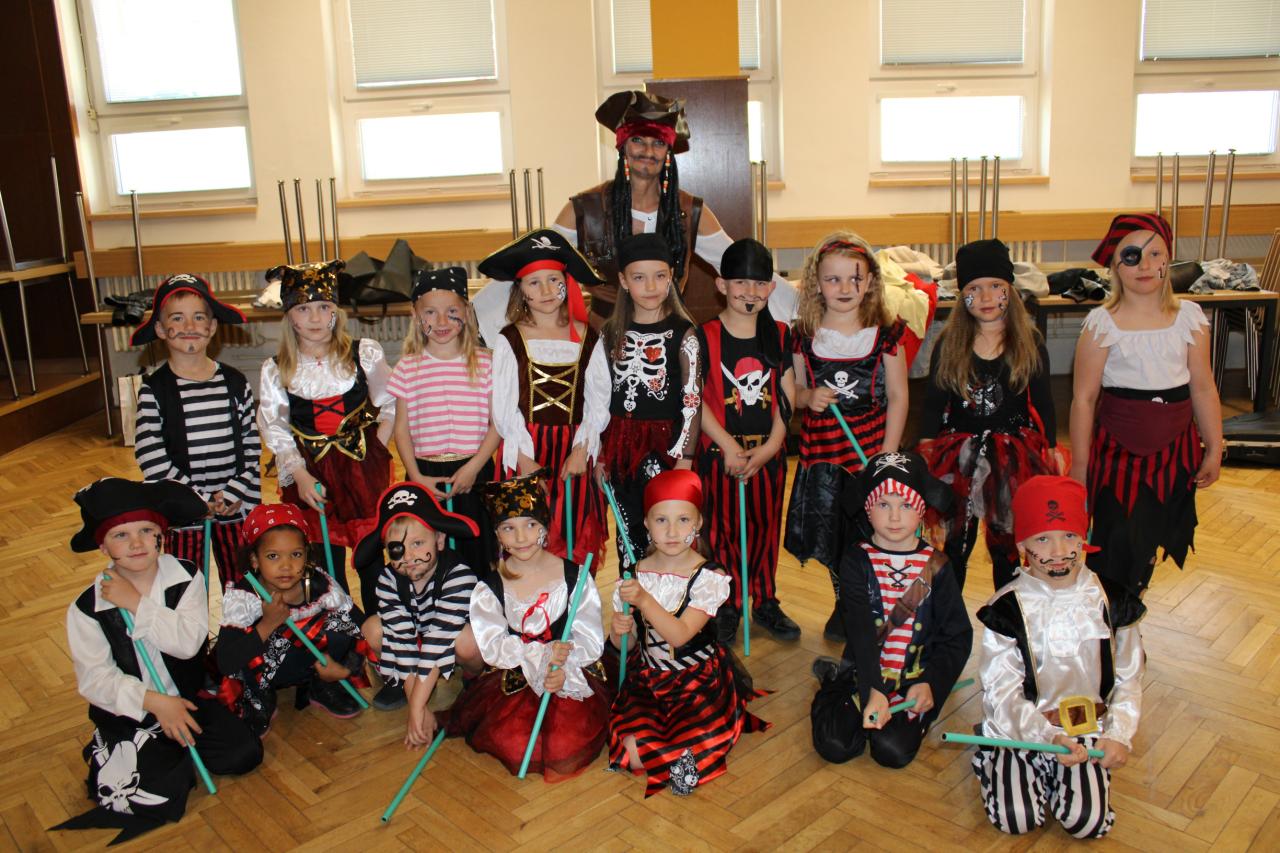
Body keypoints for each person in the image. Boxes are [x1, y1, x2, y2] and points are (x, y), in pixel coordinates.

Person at [471, 90, 797, 344]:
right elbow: (532, 260)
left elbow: (739, 263)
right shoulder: (587, 209)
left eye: (658, 143)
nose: (647, 151)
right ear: (623, 146)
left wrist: (803, 307)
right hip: (602, 338)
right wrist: (471, 315)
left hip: (671, 340)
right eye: (638, 140)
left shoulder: (688, 211)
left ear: (668, 152)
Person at [57, 478, 262, 844]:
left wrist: (137, 604)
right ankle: (130, 749)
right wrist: (154, 702)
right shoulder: (86, 609)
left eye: (146, 531)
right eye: (121, 535)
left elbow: (187, 644)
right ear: (103, 545)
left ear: (160, 535)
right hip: (133, 711)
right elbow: (95, 680)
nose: (136, 543)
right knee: (148, 791)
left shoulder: (186, 577)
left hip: (187, 698)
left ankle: (172, 749)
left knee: (243, 754)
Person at [971, 475, 1144, 839]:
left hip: (1085, 730)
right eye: (1042, 539)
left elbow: (1129, 677)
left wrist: (1119, 734)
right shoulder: (1006, 609)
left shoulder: (1112, 601)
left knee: (1087, 823)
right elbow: (1001, 691)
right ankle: (997, 759)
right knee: (1016, 819)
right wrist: (1046, 737)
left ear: (1084, 537)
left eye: (1069, 535)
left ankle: (1062, 777)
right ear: (1022, 544)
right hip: (1021, 730)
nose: (1058, 551)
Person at [1069, 213, 1222, 593]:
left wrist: (1215, 446)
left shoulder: (1189, 318)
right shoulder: (1102, 324)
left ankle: (1133, 600)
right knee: (1116, 537)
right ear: (1115, 266)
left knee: (1153, 534)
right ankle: (1111, 608)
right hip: (1117, 452)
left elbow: (1203, 388)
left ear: (1168, 260)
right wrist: (1081, 466)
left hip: (1175, 450)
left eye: (1155, 254)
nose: (1145, 265)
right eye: (1132, 256)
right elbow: (1084, 399)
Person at [608, 470, 769, 797]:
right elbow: (627, 644)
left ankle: (684, 755)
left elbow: (680, 635)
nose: (672, 531)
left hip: (697, 682)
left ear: (698, 523)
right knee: (629, 750)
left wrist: (644, 600)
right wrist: (619, 631)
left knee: (693, 734)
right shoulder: (635, 574)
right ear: (647, 524)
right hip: (649, 679)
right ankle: (674, 758)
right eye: (661, 520)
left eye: (683, 520)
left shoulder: (709, 576)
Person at [917, 239, 1063, 592]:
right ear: (962, 295)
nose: (985, 297)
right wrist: (925, 447)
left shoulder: (1029, 342)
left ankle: (1007, 608)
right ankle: (948, 613)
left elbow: (1045, 402)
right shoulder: (949, 343)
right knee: (955, 542)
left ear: (1010, 290)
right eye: (974, 289)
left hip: (1012, 458)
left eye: (995, 286)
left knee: (1006, 544)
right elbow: (933, 403)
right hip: (959, 456)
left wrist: (1051, 447)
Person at [810, 451, 971, 768]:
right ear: (869, 510)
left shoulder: (937, 566)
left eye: (906, 505)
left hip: (912, 681)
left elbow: (958, 637)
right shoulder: (856, 560)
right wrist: (873, 690)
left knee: (892, 751)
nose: (895, 517)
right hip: (864, 672)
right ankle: (832, 688)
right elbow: (860, 632)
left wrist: (931, 683)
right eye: (884, 505)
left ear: (921, 510)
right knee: (835, 744)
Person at [784, 231, 908, 642]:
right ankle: (844, 601)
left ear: (870, 281)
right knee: (833, 536)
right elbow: (794, 392)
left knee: (871, 533)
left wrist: (887, 457)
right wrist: (808, 397)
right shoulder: (804, 336)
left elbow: (898, 397)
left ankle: (870, 604)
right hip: (823, 456)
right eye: (833, 279)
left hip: (870, 453)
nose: (844, 288)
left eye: (855, 278)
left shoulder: (886, 334)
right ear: (816, 283)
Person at [445, 471, 610, 781]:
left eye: (530, 525)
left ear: (545, 527)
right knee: (515, 742)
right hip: (518, 672)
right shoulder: (490, 588)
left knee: (565, 742)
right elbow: (494, 644)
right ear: (497, 534)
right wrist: (537, 655)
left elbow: (588, 636)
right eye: (509, 528)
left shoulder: (574, 577)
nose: (521, 538)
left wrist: (564, 661)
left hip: (567, 671)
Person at [257, 260, 394, 602]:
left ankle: (379, 622)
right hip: (311, 471)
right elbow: (275, 427)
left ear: (336, 311)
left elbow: (391, 402)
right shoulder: (277, 369)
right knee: (322, 562)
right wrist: (300, 475)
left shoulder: (363, 354)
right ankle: (337, 622)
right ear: (289, 315)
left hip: (361, 469)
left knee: (370, 556)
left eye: (323, 307)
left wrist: (378, 447)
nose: (315, 318)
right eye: (303, 309)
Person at [568, 233, 703, 567]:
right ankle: (631, 595)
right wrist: (601, 455)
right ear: (623, 281)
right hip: (620, 447)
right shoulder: (610, 332)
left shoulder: (684, 333)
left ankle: (669, 595)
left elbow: (692, 400)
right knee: (628, 533)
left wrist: (684, 459)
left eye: (659, 275)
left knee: (666, 530)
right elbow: (601, 399)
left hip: (666, 447)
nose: (651, 286)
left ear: (671, 277)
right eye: (639, 277)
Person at [480, 230, 608, 567]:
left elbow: (598, 401)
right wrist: (523, 459)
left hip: (573, 449)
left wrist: (582, 450)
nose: (547, 290)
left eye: (554, 280)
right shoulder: (510, 338)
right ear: (520, 289)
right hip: (527, 447)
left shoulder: (588, 337)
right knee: (527, 530)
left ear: (567, 283)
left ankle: (574, 595)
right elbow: (504, 407)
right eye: (535, 283)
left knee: (573, 530)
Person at [697, 237, 799, 642]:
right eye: (740, 282)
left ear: (771, 288)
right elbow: (696, 399)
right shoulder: (703, 335)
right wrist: (728, 445)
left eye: (759, 284)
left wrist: (772, 447)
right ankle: (728, 603)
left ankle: (764, 599)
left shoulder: (780, 333)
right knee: (723, 531)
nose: (750, 292)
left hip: (767, 452)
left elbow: (787, 395)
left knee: (765, 527)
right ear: (722, 285)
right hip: (723, 452)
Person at [131, 273, 259, 587]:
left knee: (244, 585)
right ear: (160, 329)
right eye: (177, 318)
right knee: (185, 585)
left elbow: (251, 444)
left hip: (234, 506)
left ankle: (241, 621)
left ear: (212, 326)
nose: (189, 326)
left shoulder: (235, 382)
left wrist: (233, 491)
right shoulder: (154, 390)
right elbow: (151, 457)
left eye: (199, 317)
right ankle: (191, 623)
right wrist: (197, 500)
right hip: (184, 513)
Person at [388, 267, 502, 591]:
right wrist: (416, 476)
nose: (441, 322)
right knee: (430, 552)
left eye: (451, 311)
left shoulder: (486, 363)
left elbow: (497, 425)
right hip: (426, 475)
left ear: (466, 312)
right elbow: (401, 430)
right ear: (415, 315)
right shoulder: (408, 367)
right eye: (430, 312)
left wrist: (473, 468)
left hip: (474, 472)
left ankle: (478, 610)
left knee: (476, 550)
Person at [216, 503, 371, 735]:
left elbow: (359, 623)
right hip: (268, 670)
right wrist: (267, 624)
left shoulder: (317, 583)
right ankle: (259, 695)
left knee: (342, 625)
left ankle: (322, 683)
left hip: (311, 662)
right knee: (252, 644)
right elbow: (226, 662)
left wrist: (345, 668)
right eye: (273, 556)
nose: (286, 566)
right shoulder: (244, 597)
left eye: (296, 554)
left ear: (307, 555)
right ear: (254, 559)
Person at [352, 482, 483, 719]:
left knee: (468, 642)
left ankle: (473, 678)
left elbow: (438, 640)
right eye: (397, 549)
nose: (409, 556)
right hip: (415, 640)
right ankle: (401, 680)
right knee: (372, 628)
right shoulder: (388, 580)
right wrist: (418, 707)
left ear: (439, 540)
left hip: (449, 638)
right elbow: (402, 643)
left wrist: (416, 709)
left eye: (417, 543)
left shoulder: (458, 575)